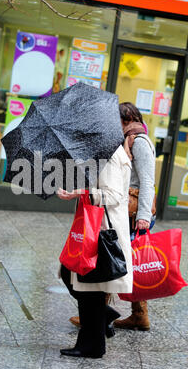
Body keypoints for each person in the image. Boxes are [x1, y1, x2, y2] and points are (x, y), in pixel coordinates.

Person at [69, 101, 156, 332]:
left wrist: (144, 216)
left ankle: (99, 313)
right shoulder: (126, 141)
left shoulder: (139, 142)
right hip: (126, 207)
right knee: (122, 261)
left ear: (126, 120)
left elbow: (147, 182)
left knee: (112, 259)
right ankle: (132, 315)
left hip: (133, 211)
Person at [57, 143, 133, 358]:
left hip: (101, 232)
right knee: (82, 282)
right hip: (92, 229)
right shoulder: (104, 151)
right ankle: (95, 337)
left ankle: (92, 344)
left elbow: (115, 195)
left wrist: (81, 192)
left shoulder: (108, 154)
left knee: (88, 287)